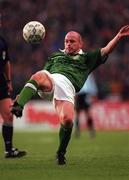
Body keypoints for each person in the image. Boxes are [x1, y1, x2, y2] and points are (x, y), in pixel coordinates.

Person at [11, 25, 129, 165]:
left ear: (80, 43)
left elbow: (107, 50)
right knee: (39, 75)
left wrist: (118, 37)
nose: (68, 44)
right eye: (66, 41)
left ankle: (61, 153)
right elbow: (38, 78)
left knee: (67, 120)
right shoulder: (55, 56)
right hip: (51, 80)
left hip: (67, 88)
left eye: (72, 41)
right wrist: (22, 95)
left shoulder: (87, 58)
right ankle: (18, 106)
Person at [0, 14, 26, 158]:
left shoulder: (2, 41)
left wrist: (9, 81)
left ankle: (8, 150)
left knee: (9, 115)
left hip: (0, 83)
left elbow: (6, 62)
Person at [74, 74, 98, 138]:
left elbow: (91, 83)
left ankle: (91, 131)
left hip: (85, 94)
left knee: (87, 113)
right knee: (78, 114)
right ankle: (77, 131)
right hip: (79, 95)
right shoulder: (78, 72)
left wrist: (93, 93)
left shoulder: (88, 73)